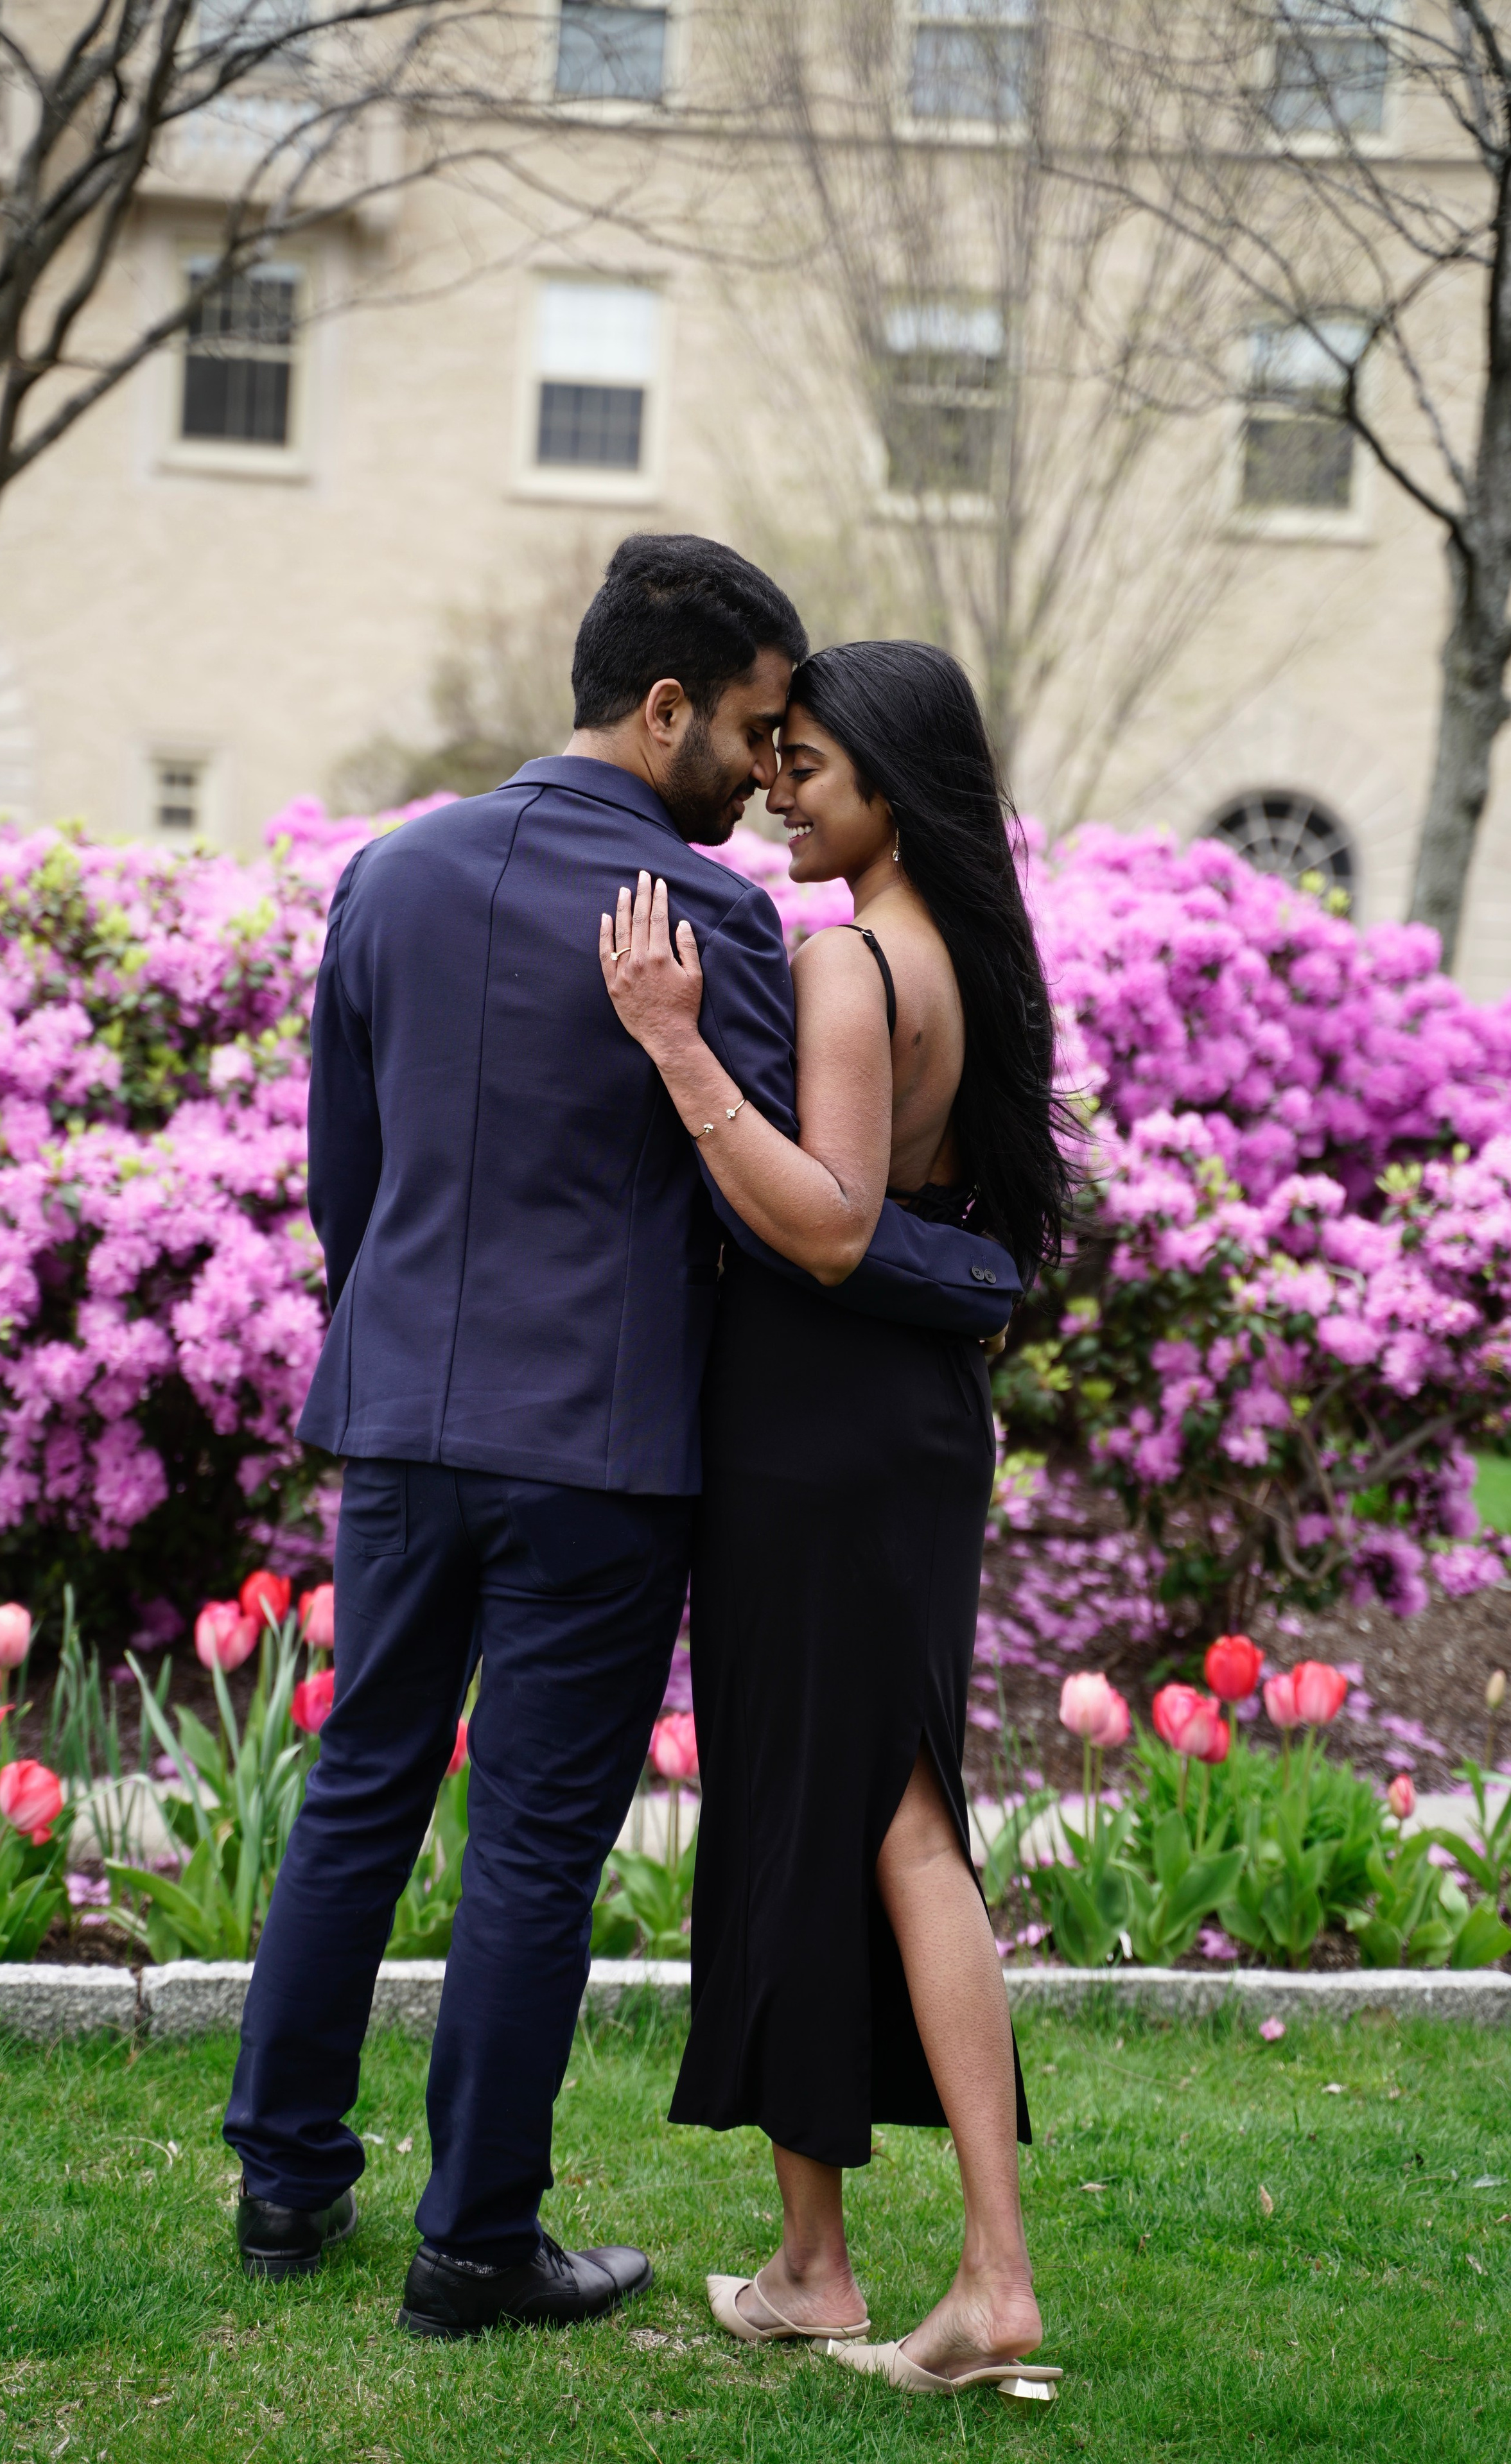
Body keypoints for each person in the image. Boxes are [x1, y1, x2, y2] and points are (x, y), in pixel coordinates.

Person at [221, 540, 1019, 2336]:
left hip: (405, 1422)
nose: (758, 770)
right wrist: (963, 1267)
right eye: (746, 729)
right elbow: (774, 1205)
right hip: (601, 1447)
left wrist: (404, 1338)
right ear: (661, 708)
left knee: (360, 1782)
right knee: (530, 1839)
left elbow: (343, 1177)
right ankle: (474, 2241)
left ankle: (283, 2181)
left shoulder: (391, 876)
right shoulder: (717, 922)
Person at [600, 638, 1070, 2399]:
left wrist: (672, 1047)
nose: (775, 789)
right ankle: (816, 2264)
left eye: (807, 766)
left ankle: (985, 2278)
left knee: (882, 1825)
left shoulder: (855, 961)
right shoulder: (963, 950)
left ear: (890, 783)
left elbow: (826, 1221)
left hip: (826, 1437)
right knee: (859, 1816)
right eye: (772, 757)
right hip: (896, 1430)